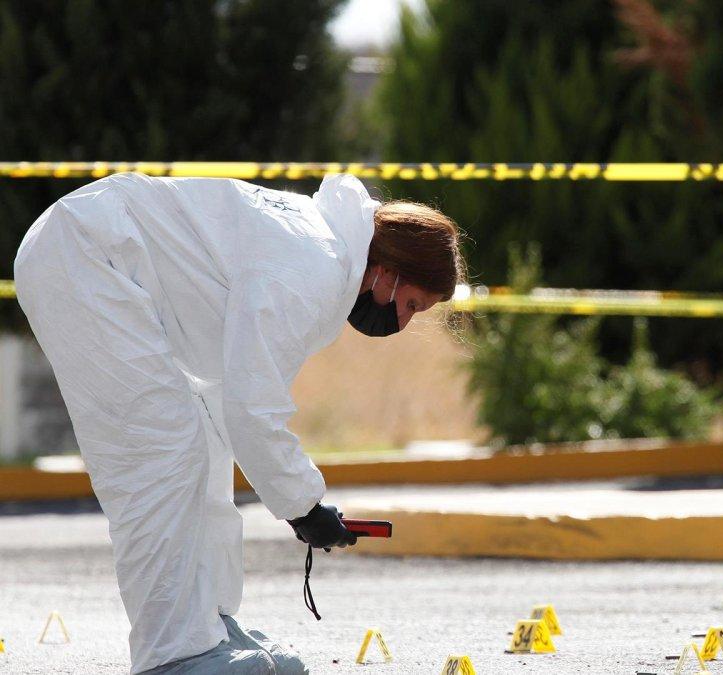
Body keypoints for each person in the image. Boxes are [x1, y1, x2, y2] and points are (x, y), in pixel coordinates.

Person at [13, 172, 465, 674]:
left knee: (203, 450)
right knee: (159, 458)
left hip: (95, 252)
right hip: (85, 256)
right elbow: (254, 407)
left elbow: (231, 400)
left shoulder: (321, 254)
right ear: (389, 272)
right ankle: (176, 654)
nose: (400, 324)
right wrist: (304, 506)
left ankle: (209, 624)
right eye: (409, 306)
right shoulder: (312, 268)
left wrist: (299, 500)